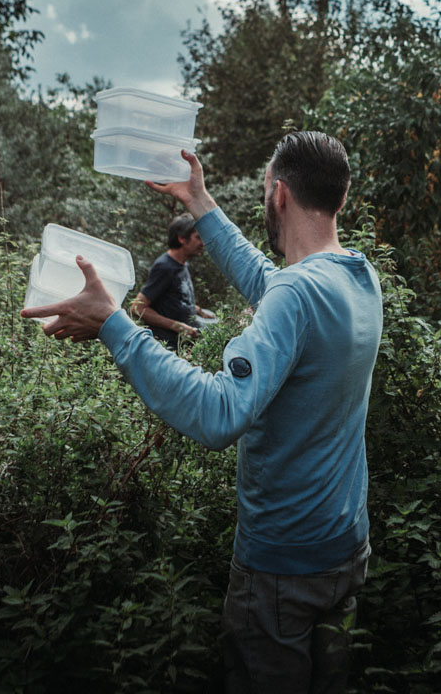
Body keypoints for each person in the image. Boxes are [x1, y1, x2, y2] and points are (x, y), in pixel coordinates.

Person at [21, 131, 383, 694]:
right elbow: (276, 285)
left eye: (267, 191)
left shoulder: (299, 296)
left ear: (279, 195)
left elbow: (218, 412)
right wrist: (201, 205)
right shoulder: (356, 277)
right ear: (339, 197)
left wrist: (115, 326)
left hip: (283, 568)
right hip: (344, 549)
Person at [130, 214, 215, 348]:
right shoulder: (164, 267)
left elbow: (177, 299)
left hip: (183, 345)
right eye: (198, 238)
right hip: (167, 347)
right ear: (182, 238)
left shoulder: (181, 264)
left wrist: (198, 310)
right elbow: (137, 307)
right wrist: (177, 326)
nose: (202, 243)